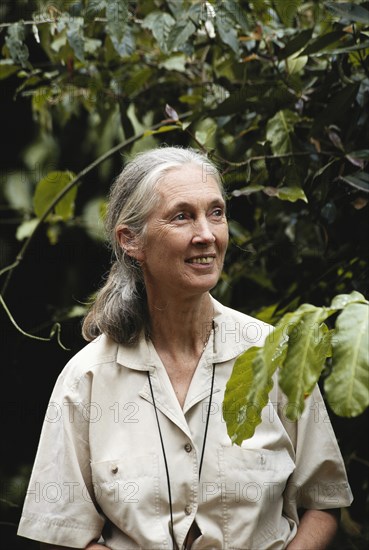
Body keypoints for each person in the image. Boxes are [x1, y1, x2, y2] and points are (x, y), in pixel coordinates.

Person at [18, 146, 353, 549]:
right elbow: (64, 531)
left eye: (216, 212)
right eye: (182, 216)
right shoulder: (87, 378)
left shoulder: (273, 356)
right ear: (131, 240)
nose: (207, 235)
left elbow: (323, 500)